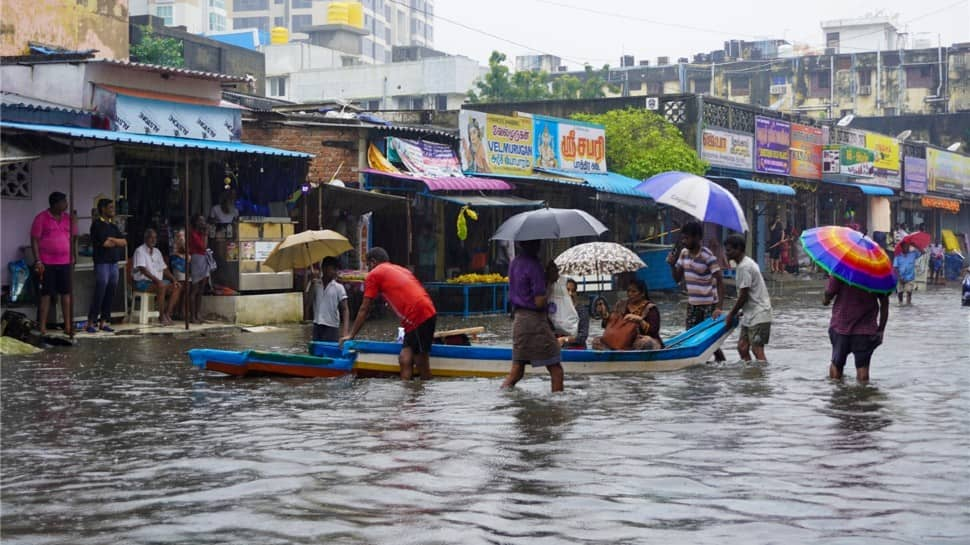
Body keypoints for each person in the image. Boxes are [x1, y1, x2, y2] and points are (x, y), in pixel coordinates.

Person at [340, 247, 437, 380]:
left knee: (421, 364)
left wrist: (351, 335)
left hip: (417, 315)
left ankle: (425, 396)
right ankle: (409, 396)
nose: (368, 269)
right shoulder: (399, 269)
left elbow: (364, 309)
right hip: (422, 312)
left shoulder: (374, 274)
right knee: (404, 359)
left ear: (373, 262)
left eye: (368, 265)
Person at [501, 239, 564, 392]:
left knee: (517, 371)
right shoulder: (534, 266)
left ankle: (502, 394)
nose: (539, 245)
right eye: (537, 242)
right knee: (556, 370)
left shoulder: (515, 263)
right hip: (534, 322)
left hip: (519, 321)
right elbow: (539, 302)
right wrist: (549, 280)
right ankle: (557, 409)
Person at [667, 221, 726, 362]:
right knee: (692, 338)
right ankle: (701, 368)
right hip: (692, 304)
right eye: (683, 238)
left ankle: (721, 364)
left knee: (709, 340)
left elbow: (720, 280)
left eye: (687, 238)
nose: (684, 241)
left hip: (708, 305)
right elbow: (677, 279)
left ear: (697, 237)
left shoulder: (707, 256)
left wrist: (718, 307)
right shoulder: (683, 253)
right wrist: (671, 264)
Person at [823, 276, 889, 383]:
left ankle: (835, 394)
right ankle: (862, 396)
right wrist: (881, 329)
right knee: (863, 369)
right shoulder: (877, 275)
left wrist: (825, 300)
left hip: (841, 327)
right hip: (865, 331)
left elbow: (828, 294)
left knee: (836, 364)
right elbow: (884, 304)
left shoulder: (841, 272)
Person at [30, 191, 78, 337]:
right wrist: (38, 260)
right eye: (63, 202)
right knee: (46, 294)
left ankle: (68, 326)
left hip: (65, 261)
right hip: (47, 262)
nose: (66, 204)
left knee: (66, 293)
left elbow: (74, 238)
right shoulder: (41, 218)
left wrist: (74, 255)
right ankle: (42, 326)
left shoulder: (68, 219)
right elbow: (34, 240)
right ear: (55, 204)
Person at [723, 234, 772, 362]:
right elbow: (749, 294)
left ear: (738, 249)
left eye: (729, 250)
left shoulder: (745, 267)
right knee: (742, 347)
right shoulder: (744, 264)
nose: (726, 253)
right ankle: (750, 377)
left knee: (757, 350)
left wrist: (731, 314)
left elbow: (743, 296)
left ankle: (761, 378)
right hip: (750, 314)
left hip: (759, 314)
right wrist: (740, 312)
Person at [86, 199, 126, 333]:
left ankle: (104, 321)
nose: (113, 210)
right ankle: (91, 322)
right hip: (102, 262)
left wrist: (113, 240)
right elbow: (105, 244)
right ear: (102, 209)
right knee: (100, 291)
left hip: (113, 262)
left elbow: (124, 242)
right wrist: (115, 241)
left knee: (110, 292)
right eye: (110, 207)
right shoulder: (97, 225)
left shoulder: (113, 226)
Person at [590, 279, 663, 350]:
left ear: (642, 293)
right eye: (628, 291)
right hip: (620, 340)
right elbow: (609, 326)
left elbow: (653, 331)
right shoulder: (621, 304)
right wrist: (604, 313)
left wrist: (640, 320)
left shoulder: (650, 308)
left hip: (640, 340)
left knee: (645, 342)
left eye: (634, 291)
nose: (630, 294)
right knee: (596, 342)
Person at [132, 228, 181, 325]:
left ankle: (167, 314)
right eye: (150, 238)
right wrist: (157, 281)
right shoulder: (139, 251)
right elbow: (143, 269)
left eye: (155, 238)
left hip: (155, 282)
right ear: (145, 239)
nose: (153, 240)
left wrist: (174, 279)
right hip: (141, 282)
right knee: (161, 286)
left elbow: (164, 269)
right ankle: (161, 316)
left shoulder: (157, 251)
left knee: (177, 286)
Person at [308, 256, 349, 342]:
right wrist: (311, 283)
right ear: (324, 268)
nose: (335, 272)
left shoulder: (339, 287)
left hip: (332, 327)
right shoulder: (315, 285)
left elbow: (345, 309)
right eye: (333, 269)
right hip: (317, 325)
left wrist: (345, 331)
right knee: (317, 353)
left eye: (336, 269)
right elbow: (308, 303)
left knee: (330, 353)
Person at [188, 214, 211, 323]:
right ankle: (192, 316)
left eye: (203, 220)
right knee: (195, 290)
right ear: (196, 222)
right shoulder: (193, 233)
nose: (202, 222)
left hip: (203, 259)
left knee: (201, 290)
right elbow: (203, 247)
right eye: (200, 220)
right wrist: (206, 234)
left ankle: (198, 314)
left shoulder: (200, 233)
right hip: (197, 259)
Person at [557, 278, 589, 349]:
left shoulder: (582, 311)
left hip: (576, 350)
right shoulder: (558, 310)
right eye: (567, 290)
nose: (570, 293)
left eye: (573, 291)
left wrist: (564, 339)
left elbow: (582, 336)